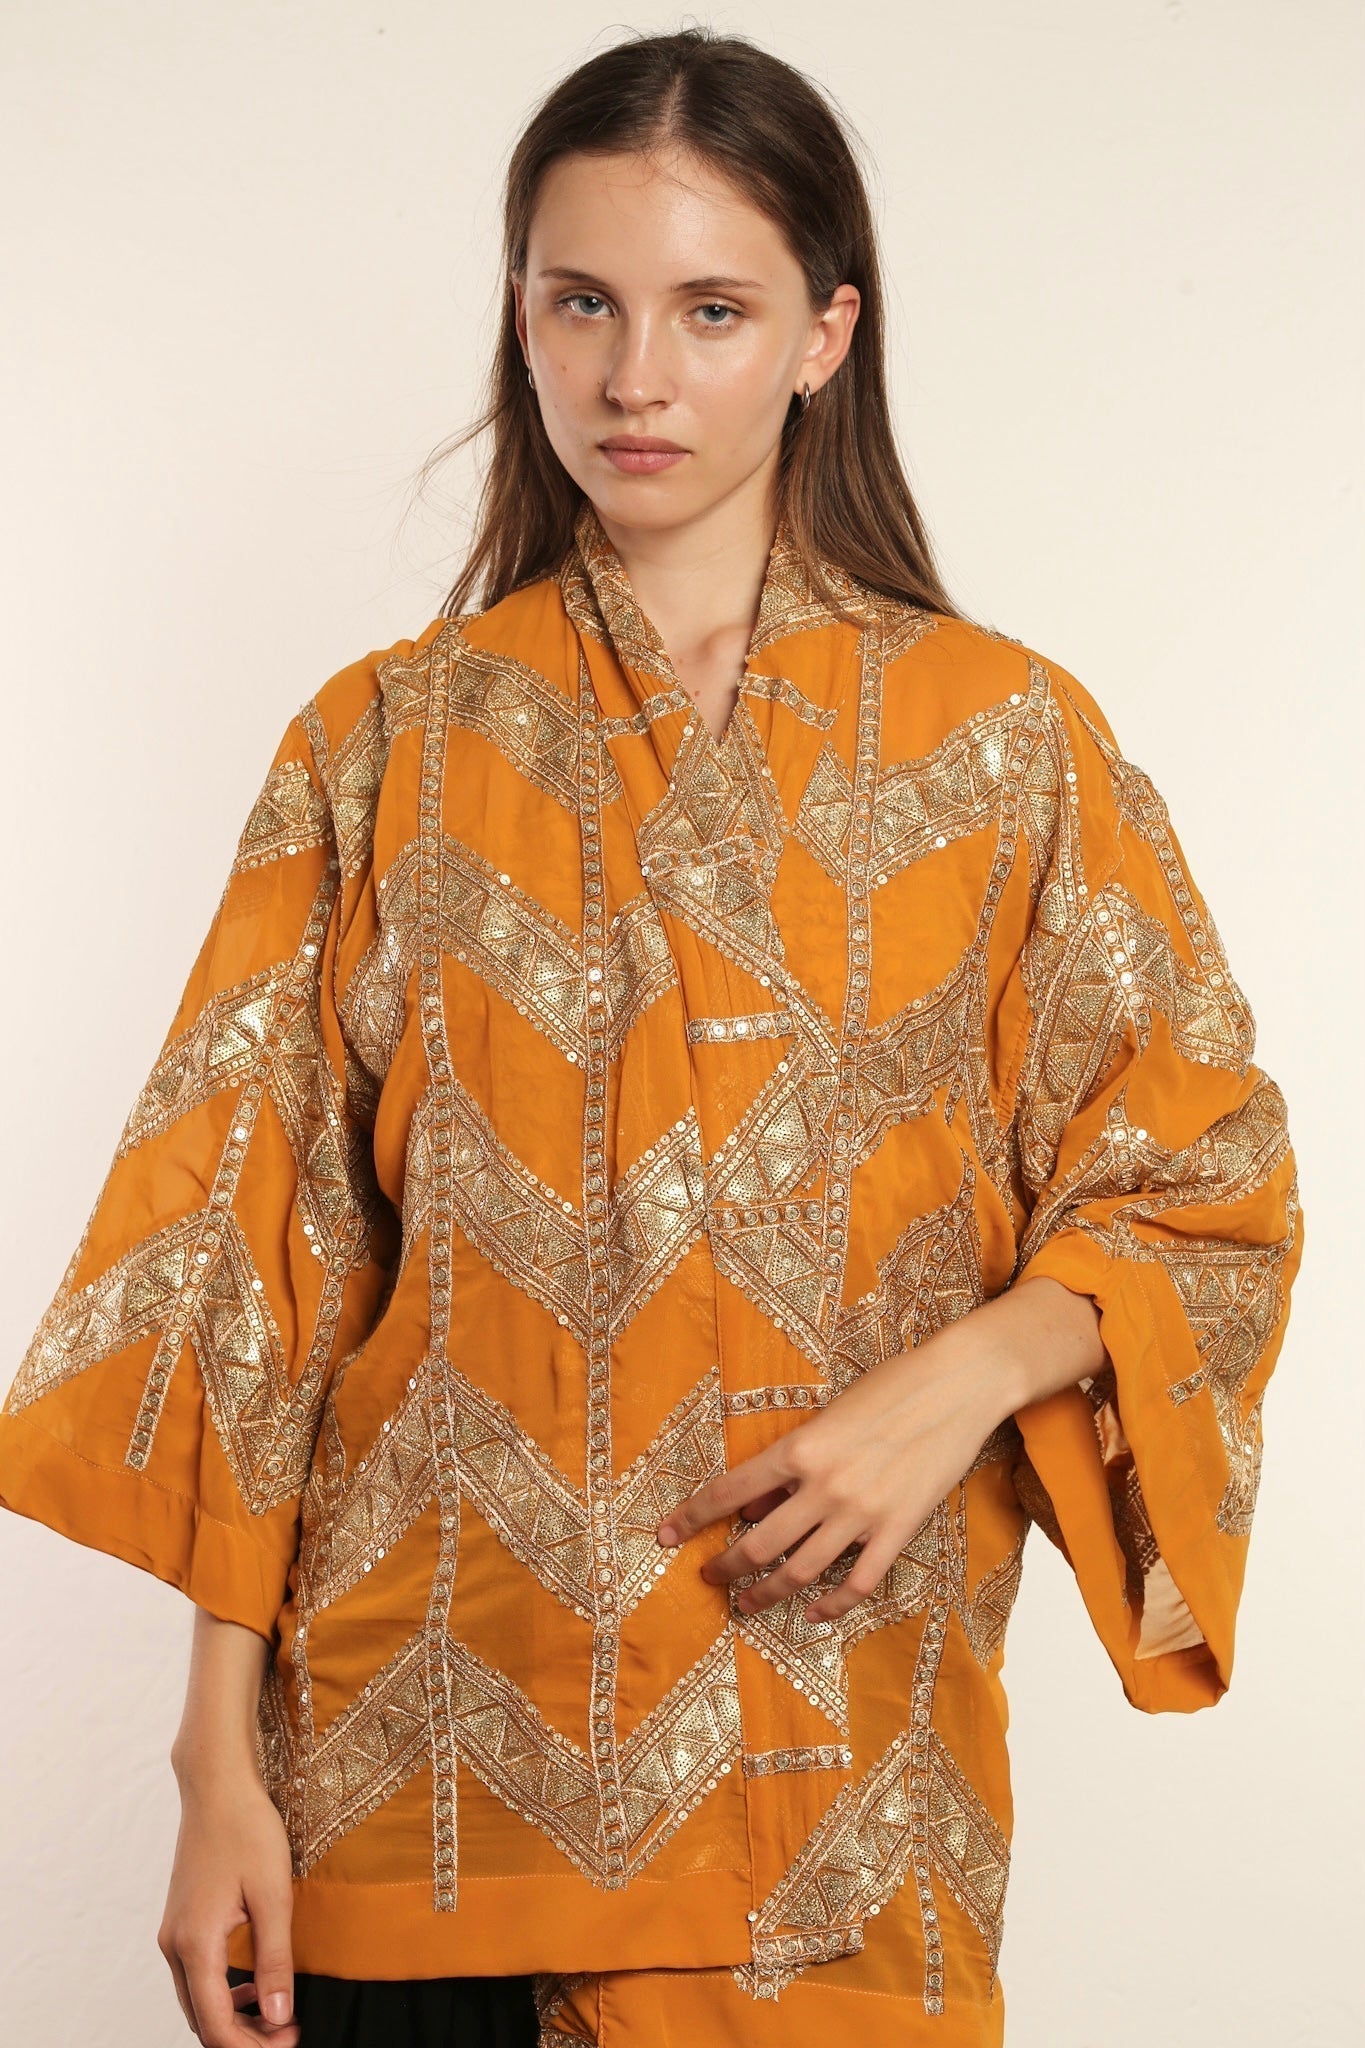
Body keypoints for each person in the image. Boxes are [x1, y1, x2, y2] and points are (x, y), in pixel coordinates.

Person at [0, 26, 1304, 2048]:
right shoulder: (379, 744)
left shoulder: (1003, 745)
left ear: (822, 334)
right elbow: (249, 1285)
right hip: (412, 1796)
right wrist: (211, 1764)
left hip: (835, 1803)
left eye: (711, 310)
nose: (633, 376)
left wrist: (954, 1382)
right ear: (517, 316)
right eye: (579, 302)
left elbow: (1203, 1185)